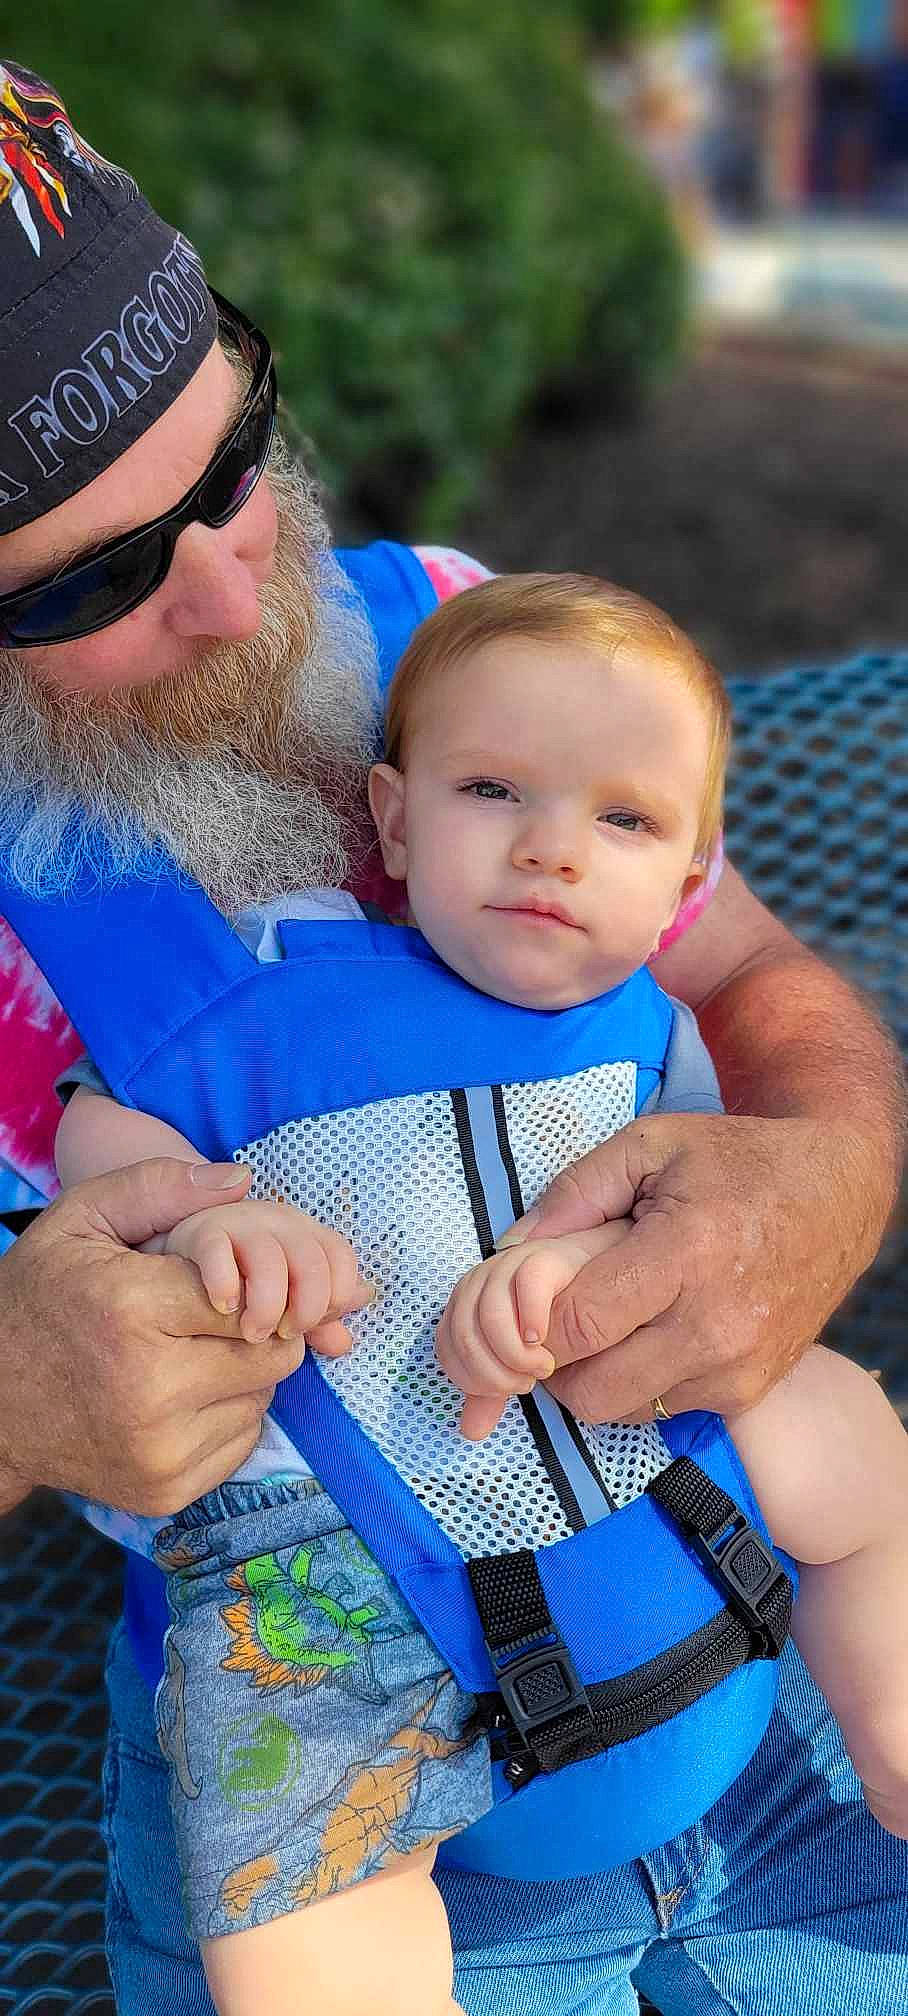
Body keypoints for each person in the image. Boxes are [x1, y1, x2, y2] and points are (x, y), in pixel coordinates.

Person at [0, 54, 904, 2016]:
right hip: (356, 1746)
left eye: (236, 451)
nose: (242, 586)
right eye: (87, 572)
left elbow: (749, 971)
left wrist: (820, 1170)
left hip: (742, 1623)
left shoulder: (452, 625)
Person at [53, 573, 908, 2016]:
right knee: (291, 1882)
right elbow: (111, 1115)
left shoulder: (654, 1030)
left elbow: (710, 1206)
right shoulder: (276, 974)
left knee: (858, 1443)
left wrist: (613, 1265)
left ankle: (891, 1732)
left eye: (624, 823)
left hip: (653, 1486)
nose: (553, 852)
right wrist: (213, 1224)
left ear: (686, 881)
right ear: (392, 821)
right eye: (493, 790)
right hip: (341, 1555)